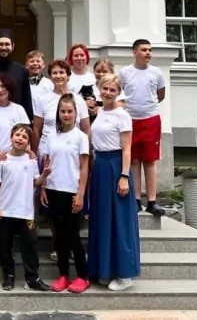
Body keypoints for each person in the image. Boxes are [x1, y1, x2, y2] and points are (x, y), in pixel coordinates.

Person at [87, 73, 140, 291]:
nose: (108, 93)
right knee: (102, 218)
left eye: (112, 90)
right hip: (100, 166)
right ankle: (105, 269)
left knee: (119, 219)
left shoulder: (122, 116)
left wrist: (124, 176)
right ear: (99, 89)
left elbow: (127, 148)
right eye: (105, 88)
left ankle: (124, 274)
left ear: (118, 92)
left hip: (116, 165)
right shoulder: (100, 113)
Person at [40, 94, 90, 293]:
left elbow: (84, 168)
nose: (66, 115)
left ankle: (82, 276)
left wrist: (80, 194)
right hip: (53, 190)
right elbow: (47, 163)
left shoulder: (81, 137)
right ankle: (63, 275)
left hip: (72, 192)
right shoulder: (52, 136)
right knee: (59, 236)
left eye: (70, 111)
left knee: (72, 236)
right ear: (58, 113)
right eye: (63, 111)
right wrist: (43, 187)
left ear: (76, 113)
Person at [0, 123, 51, 292]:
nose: (20, 139)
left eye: (25, 137)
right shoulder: (2, 161)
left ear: (28, 143)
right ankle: (9, 275)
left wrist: (44, 175)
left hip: (26, 212)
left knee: (31, 243)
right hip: (6, 210)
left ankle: (32, 277)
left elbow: (35, 182)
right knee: (4, 244)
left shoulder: (31, 160)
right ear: (11, 137)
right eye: (17, 135)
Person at [0, 75, 30, 263]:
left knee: (8, 202)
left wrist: (27, 152)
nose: (0, 90)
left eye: (3, 86)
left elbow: (25, 136)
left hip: (13, 162)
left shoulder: (18, 110)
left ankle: (7, 244)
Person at [118, 39, 167, 216]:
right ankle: (136, 199)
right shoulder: (125, 72)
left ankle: (152, 201)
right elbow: (119, 93)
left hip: (150, 119)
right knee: (134, 160)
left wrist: (147, 107)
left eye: (150, 50)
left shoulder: (156, 73)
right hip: (130, 120)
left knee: (150, 160)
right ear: (134, 52)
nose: (148, 53)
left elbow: (160, 95)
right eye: (144, 50)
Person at [32, 59, 91, 157]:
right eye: (54, 73)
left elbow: (86, 129)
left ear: (68, 76)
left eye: (61, 72)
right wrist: (36, 152)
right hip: (47, 150)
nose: (58, 76)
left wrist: (86, 153)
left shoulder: (78, 100)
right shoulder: (42, 99)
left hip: (72, 150)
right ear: (50, 76)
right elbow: (36, 128)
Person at [26, 50, 53, 116]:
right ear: (26, 65)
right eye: (32, 61)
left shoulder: (50, 84)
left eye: (38, 61)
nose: (35, 63)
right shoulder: (22, 83)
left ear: (43, 65)